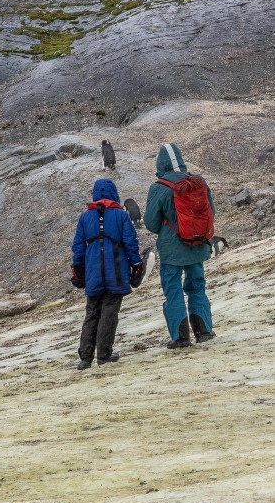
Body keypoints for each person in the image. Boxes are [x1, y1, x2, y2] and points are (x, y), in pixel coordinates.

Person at [143, 143, 216, 348]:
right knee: (197, 287)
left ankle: (181, 337)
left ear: (160, 164)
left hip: (171, 250)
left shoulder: (159, 187)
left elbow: (151, 222)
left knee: (173, 289)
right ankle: (204, 331)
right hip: (197, 244)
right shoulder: (198, 182)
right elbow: (212, 212)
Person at [71, 178, 143, 369]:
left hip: (93, 272)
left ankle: (85, 358)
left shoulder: (86, 217)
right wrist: (136, 265)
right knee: (109, 312)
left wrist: (78, 271)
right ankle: (104, 354)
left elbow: (78, 247)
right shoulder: (121, 215)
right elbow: (130, 242)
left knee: (92, 312)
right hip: (116, 271)